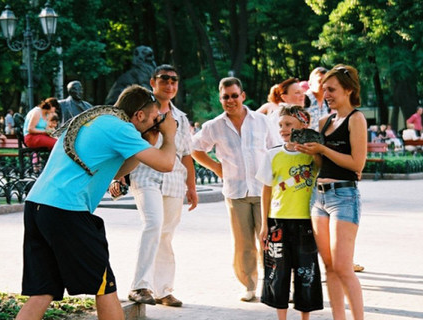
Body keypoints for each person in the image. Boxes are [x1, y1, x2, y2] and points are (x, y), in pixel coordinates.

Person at [15, 84, 178, 320]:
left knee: (43, 290)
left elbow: (114, 170)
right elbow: (166, 163)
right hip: (66, 210)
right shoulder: (121, 128)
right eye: (155, 117)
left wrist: (148, 144)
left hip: (37, 206)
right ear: (139, 115)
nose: (158, 122)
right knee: (105, 286)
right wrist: (170, 135)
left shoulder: (100, 121)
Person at [192, 77, 280, 302]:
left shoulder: (261, 121)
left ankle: (275, 284)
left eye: (234, 95)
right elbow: (195, 148)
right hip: (236, 192)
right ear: (221, 99)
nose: (230, 100)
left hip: (264, 191)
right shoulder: (214, 126)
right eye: (225, 97)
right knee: (243, 244)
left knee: (269, 240)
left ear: (243, 95)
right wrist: (215, 167)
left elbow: (276, 150)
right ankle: (248, 286)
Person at [119, 64, 198, 307]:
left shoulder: (181, 118)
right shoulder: (141, 110)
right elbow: (125, 142)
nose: (170, 85)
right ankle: (140, 286)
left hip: (174, 181)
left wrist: (192, 187)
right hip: (145, 176)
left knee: (166, 234)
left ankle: (164, 290)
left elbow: (186, 155)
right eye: (164, 79)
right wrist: (119, 176)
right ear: (153, 82)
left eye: (174, 80)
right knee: (153, 224)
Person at [295, 64, 366, 320]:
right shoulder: (324, 122)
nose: (326, 94)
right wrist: (312, 152)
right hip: (319, 197)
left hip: (344, 197)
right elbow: (320, 165)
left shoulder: (356, 119)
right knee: (329, 267)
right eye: (324, 89)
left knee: (344, 268)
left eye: (332, 89)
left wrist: (323, 150)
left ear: (348, 90)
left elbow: (357, 164)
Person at [256, 105, 323, 320]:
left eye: (289, 124)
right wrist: (265, 224)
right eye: (281, 125)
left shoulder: (312, 155)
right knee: (278, 273)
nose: (284, 129)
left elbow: (322, 172)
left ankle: (305, 318)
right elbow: (266, 190)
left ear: (302, 126)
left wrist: (315, 149)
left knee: (306, 273)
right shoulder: (273, 154)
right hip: (278, 222)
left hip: (306, 223)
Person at [304, 67, 329, 131]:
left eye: (326, 82)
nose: (324, 85)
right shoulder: (303, 101)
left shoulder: (327, 103)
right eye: (320, 81)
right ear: (310, 84)